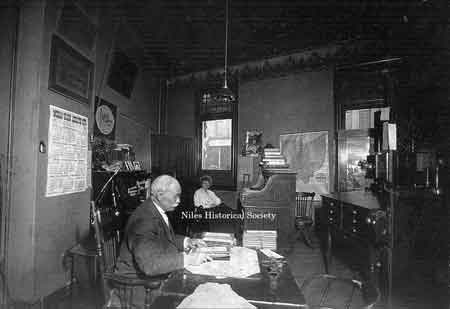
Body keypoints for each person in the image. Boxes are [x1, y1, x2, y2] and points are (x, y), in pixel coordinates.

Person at [110, 175, 210, 307]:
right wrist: (188, 259)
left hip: (151, 278)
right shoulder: (144, 220)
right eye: (176, 196)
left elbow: (164, 238)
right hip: (139, 286)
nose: (179, 200)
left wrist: (187, 241)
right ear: (160, 194)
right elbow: (150, 265)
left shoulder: (153, 209)